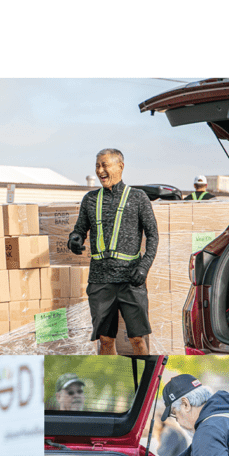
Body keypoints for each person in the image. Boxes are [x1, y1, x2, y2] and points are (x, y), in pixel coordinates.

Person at [67, 148, 158, 355]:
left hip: (131, 280)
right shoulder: (90, 199)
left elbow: (153, 235)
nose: (100, 170)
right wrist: (74, 239)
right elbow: (79, 229)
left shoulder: (138, 198)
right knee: (105, 340)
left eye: (104, 165)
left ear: (120, 166)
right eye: (97, 166)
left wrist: (144, 267)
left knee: (137, 340)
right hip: (101, 281)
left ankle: (145, 379)